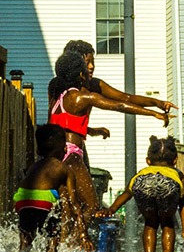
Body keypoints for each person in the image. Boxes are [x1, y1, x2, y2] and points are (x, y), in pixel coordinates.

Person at [48, 51, 171, 229]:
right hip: (72, 157)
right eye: (86, 68)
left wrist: (93, 131)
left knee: (67, 211)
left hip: (56, 157)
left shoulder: (58, 97)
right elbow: (119, 105)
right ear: (81, 75)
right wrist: (153, 113)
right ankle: (76, 244)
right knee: (92, 207)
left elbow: (66, 126)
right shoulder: (82, 97)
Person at [97, 135, 184, 252]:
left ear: (148, 161)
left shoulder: (142, 172)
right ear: (175, 160)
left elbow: (127, 193)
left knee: (150, 223)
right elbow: (183, 202)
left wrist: (112, 209)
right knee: (167, 223)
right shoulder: (178, 174)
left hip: (143, 183)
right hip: (169, 184)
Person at [13, 124, 93, 252]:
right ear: (65, 149)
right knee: (53, 237)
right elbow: (75, 204)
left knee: (26, 238)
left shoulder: (34, 167)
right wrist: (83, 233)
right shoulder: (64, 169)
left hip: (22, 200)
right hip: (43, 201)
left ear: (38, 151)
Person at [63, 39, 176, 128]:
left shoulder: (93, 84)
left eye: (93, 62)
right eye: (87, 63)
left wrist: (158, 103)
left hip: (76, 144)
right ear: (75, 64)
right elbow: (119, 105)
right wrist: (153, 113)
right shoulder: (64, 89)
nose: (91, 67)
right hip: (62, 148)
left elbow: (125, 98)